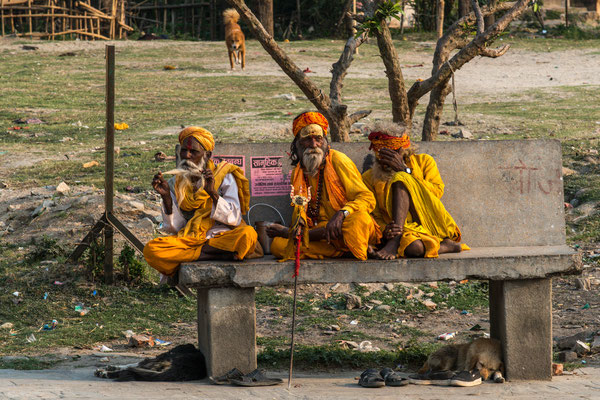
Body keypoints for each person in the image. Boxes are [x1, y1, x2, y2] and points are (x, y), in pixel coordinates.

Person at [143, 126, 260, 276]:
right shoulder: (174, 183)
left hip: (221, 238)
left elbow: (235, 219)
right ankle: (215, 255)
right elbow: (175, 228)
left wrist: (212, 193)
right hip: (191, 240)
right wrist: (166, 197)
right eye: (184, 151)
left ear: (207, 154)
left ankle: (194, 255)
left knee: (248, 234)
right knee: (151, 250)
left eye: (194, 152)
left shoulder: (224, 176)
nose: (187, 156)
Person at [267, 111, 380, 260]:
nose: (314, 145)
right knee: (278, 246)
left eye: (318, 139)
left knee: (359, 221)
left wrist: (342, 214)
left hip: (348, 224)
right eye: (307, 139)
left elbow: (366, 198)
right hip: (323, 232)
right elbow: (299, 209)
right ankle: (345, 250)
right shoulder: (297, 174)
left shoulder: (338, 160)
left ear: (325, 141)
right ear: (298, 144)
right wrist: (295, 229)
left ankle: (348, 246)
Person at [361, 121, 468, 260]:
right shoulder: (369, 178)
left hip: (429, 221)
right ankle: (448, 246)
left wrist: (405, 171)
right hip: (403, 231)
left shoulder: (424, 161)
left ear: (401, 151)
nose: (385, 162)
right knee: (414, 248)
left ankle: (394, 242)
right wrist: (384, 229)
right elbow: (372, 212)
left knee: (401, 177)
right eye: (381, 156)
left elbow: (436, 193)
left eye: (390, 155)